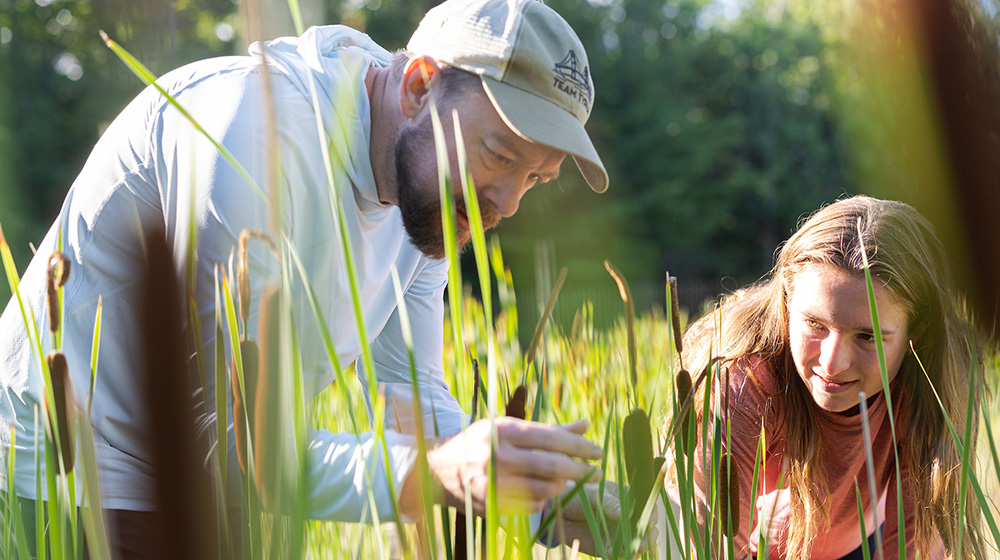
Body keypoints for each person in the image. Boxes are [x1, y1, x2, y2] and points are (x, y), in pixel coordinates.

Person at [0, 0, 617, 555]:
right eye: (500, 156)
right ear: (419, 86)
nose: (507, 203)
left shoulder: (426, 196)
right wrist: (436, 476)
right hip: (61, 479)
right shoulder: (253, 135)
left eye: (536, 177)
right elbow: (225, 439)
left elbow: (413, 397)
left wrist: (545, 499)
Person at [666, 196, 988, 559]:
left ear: (917, 331)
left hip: (863, 542)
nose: (832, 365)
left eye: (867, 337)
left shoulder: (934, 381)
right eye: (815, 324)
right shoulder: (744, 381)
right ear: (787, 304)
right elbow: (712, 549)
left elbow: (915, 544)